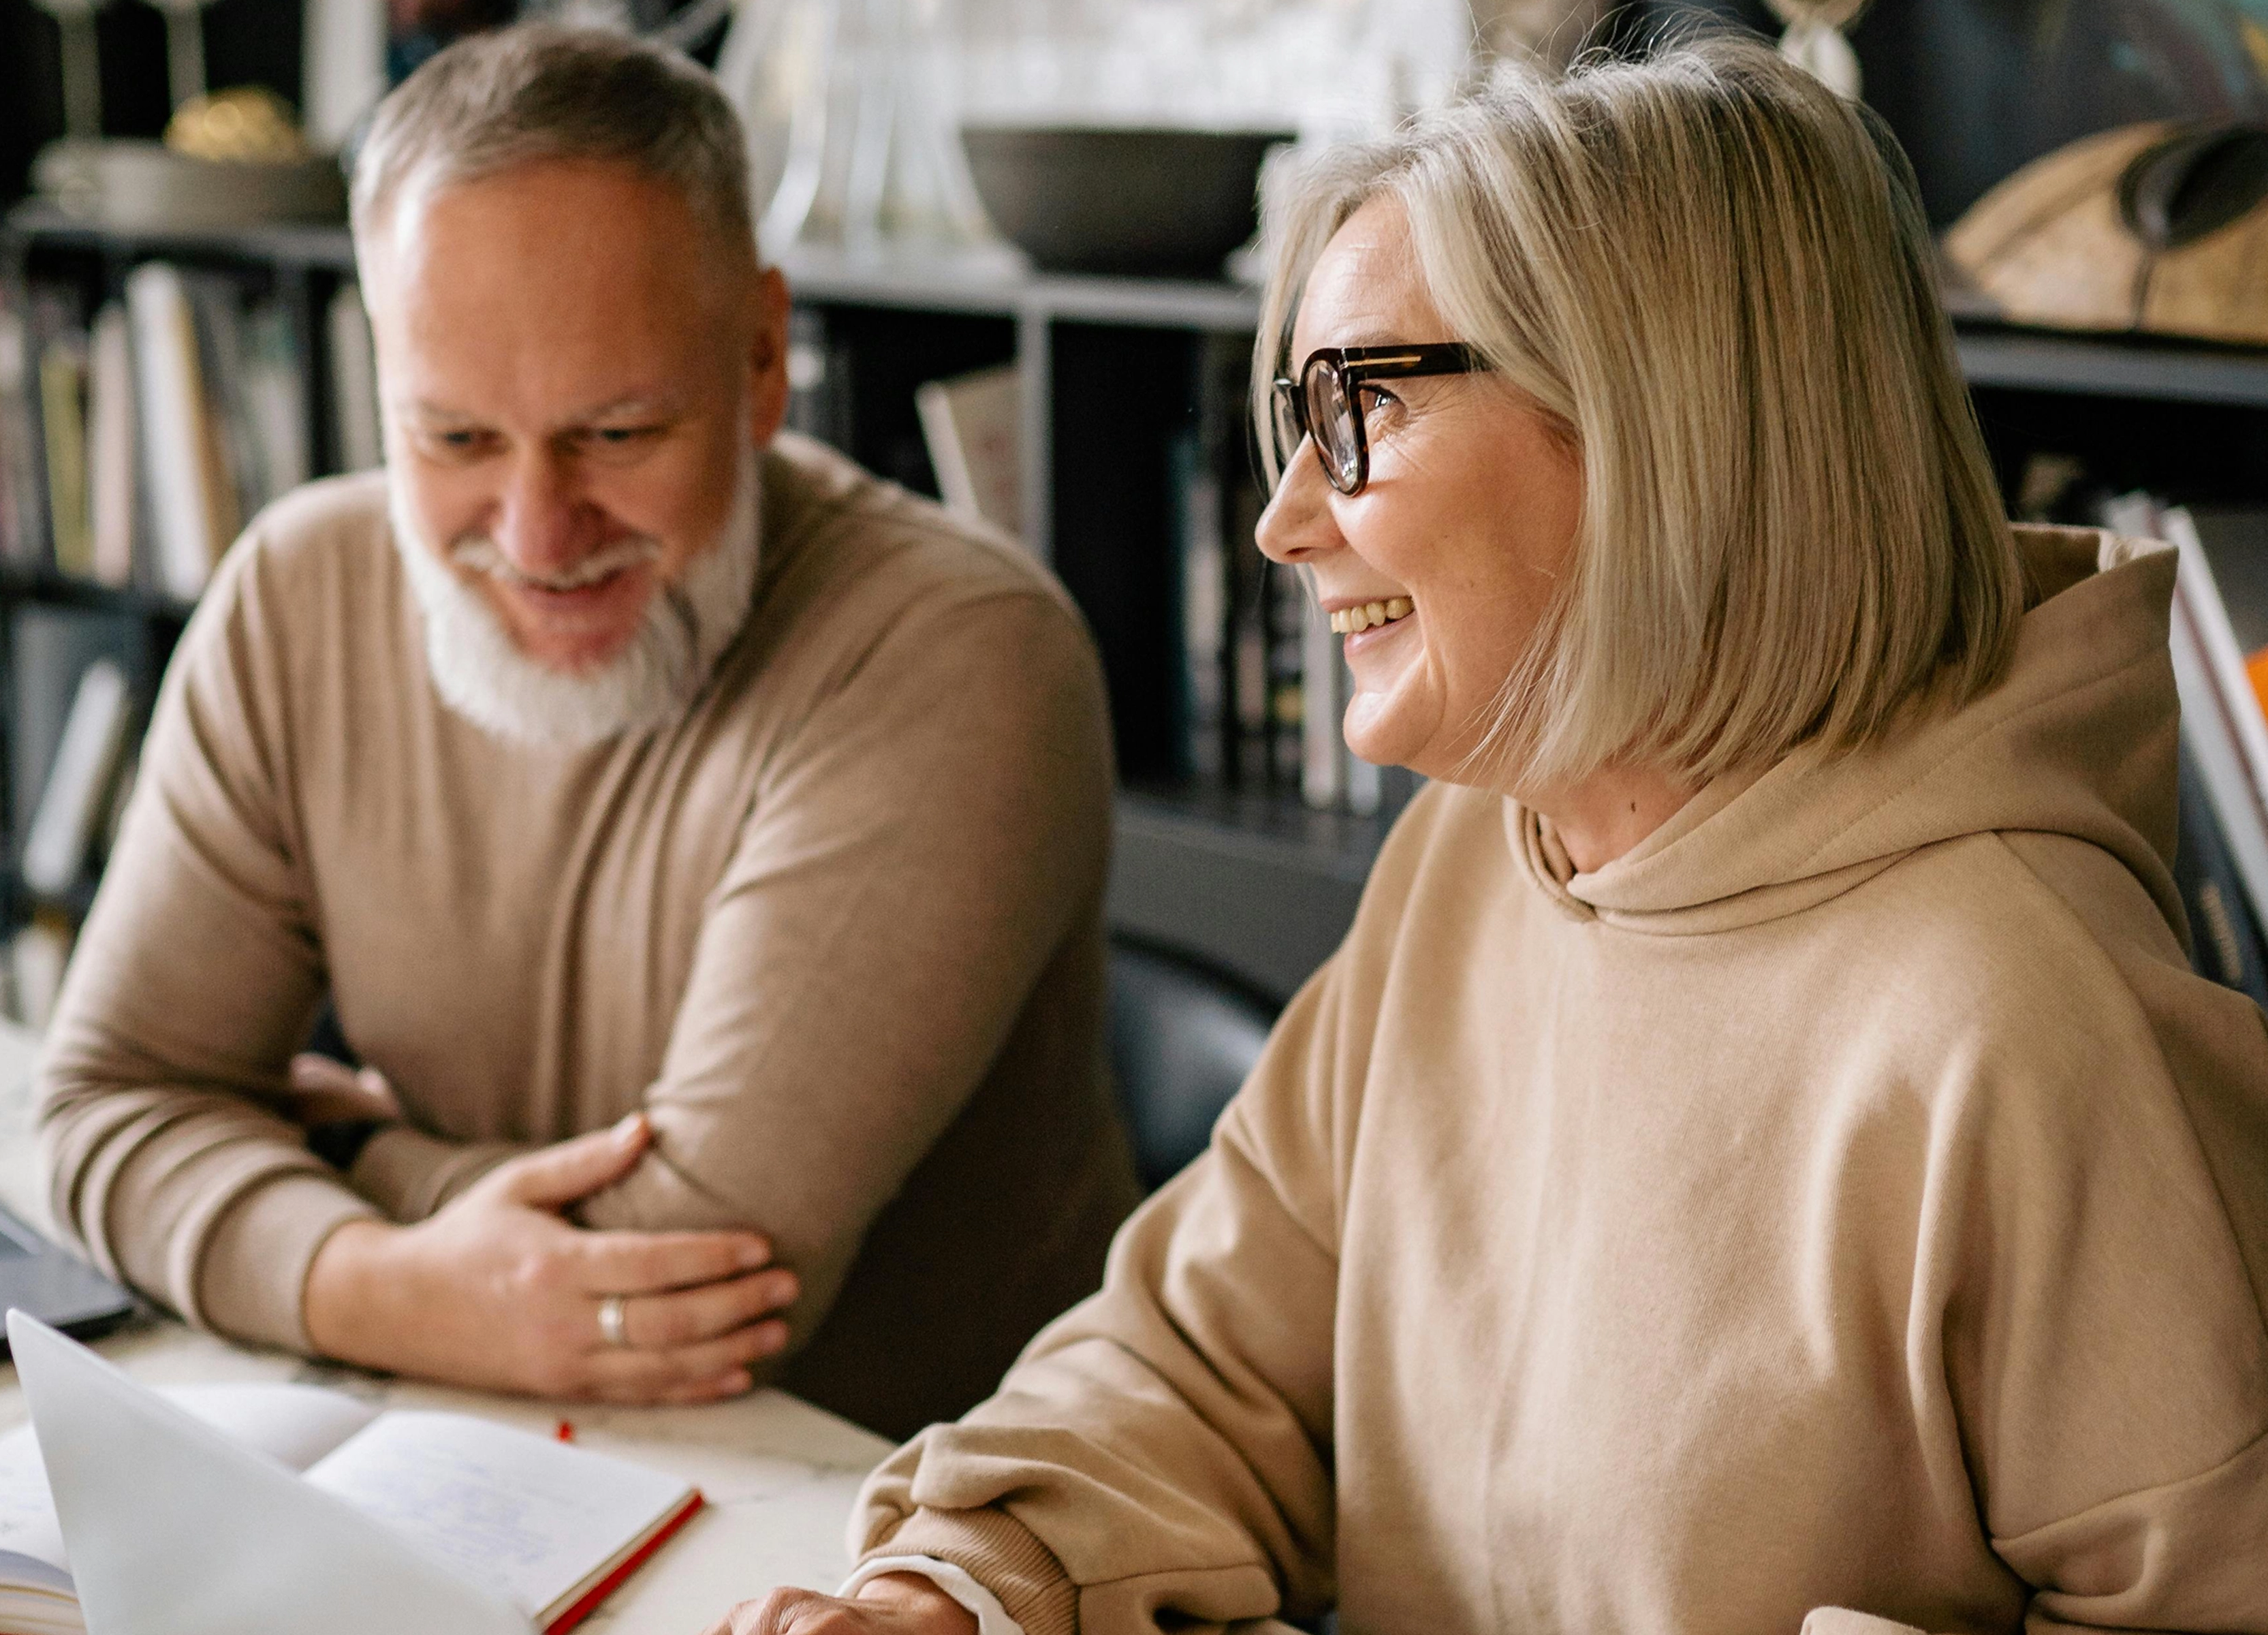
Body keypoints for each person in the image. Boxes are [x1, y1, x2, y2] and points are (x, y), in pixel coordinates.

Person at [707, 37, 2268, 1635]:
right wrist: (959, 1589)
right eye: (1289, 418)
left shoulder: (2034, 1017)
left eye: (1359, 406)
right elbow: (1203, 1358)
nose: (1286, 518)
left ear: (1664, 430)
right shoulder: (1474, 853)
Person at [31, 25, 1137, 1440]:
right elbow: (103, 1110)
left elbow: (700, 1288)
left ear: (758, 359)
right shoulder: (298, 597)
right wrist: (400, 1280)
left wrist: (343, 1143)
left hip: (906, 1530)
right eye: (454, 441)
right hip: (477, 1454)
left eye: (616, 435)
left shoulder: (956, 652)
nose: (537, 537)